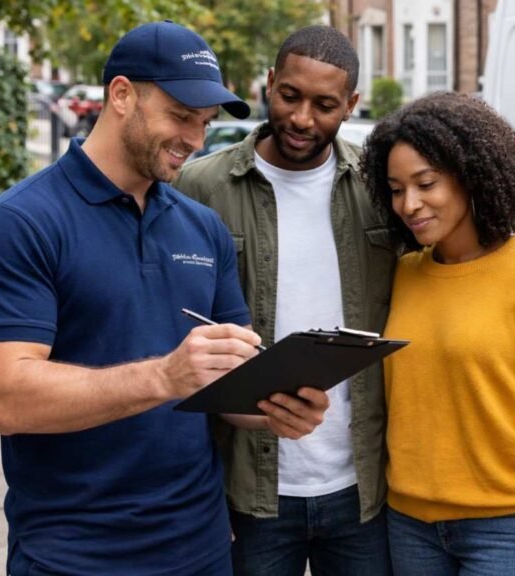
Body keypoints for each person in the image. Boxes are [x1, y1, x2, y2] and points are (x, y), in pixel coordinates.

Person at [0, 21, 330, 575]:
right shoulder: (18, 224)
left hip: (202, 548)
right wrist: (164, 376)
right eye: (181, 116)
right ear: (121, 95)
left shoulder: (203, 229)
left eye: (205, 124)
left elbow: (228, 384)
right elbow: (6, 398)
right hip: (73, 556)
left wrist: (276, 408)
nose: (195, 139)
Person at [174, 25, 397, 575]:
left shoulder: (379, 189)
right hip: (249, 487)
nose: (302, 119)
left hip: (361, 486)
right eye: (290, 96)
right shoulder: (200, 187)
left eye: (324, 105)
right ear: (269, 83)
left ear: (351, 105)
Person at [360, 91, 515, 576]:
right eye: (395, 188)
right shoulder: (404, 274)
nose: (409, 204)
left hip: (506, 529)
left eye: (426, 183)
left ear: (471, 176)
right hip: (408, 525)